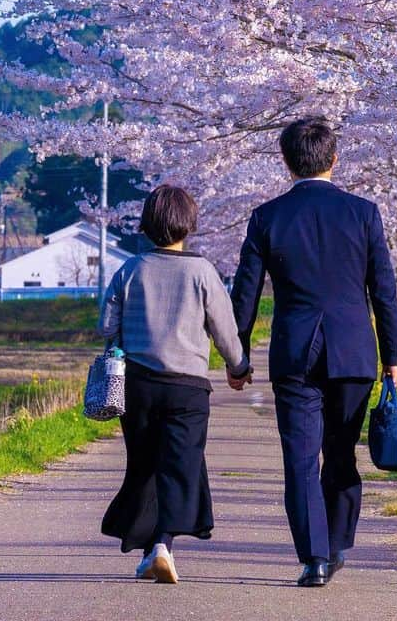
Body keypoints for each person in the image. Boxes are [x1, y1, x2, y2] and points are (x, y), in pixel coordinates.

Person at [230, 117, 397, 588]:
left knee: (301, 458)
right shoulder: (364, 213)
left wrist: (237, 354)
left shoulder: (267, 216)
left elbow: (245, 292)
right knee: (343, 452)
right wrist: (394, 355)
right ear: (334, 158)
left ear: (287, 162)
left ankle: (315, 558)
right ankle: (339, 543)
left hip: (294, 352)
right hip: (353, 351)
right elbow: (384, 292)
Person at [99, 184, 253, 584]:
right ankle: (163, 544)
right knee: (179, 465)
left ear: (147, 225)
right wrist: (238, 366)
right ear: (189, 224)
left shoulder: (129, 270)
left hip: (138, 385)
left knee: (146, 464)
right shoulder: (201, 271)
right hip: (187, 387)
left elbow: (106, 326)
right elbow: (224, 328)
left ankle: (152, 549)